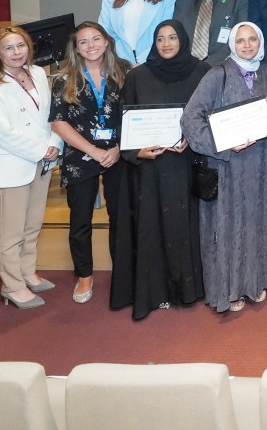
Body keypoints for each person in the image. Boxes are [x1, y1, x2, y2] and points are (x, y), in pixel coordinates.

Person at [181, 21, 267, 314]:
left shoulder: (266, 73)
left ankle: (258, 281)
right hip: (227, 165)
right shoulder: (217, 74)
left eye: (253, 39)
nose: (247, 45)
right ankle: (229, 289)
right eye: (241, 41)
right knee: (228, 225)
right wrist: (221, 145)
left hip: (261, 164)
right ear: (232, 44)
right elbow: (191, 118)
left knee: (259, 220)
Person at [111, 20, 208, 320]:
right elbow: (123, 121)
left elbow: (210, 114)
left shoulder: (202, 73)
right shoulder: (138, 76)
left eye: (173, 37)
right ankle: (157, 293)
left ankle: (190, 291)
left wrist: (193, 140)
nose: (166, 43)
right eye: (161, 38)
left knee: (188, 227)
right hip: (150, 170)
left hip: (188, 163)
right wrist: (134, 151)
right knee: (154, 227)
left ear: (183, 40)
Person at [0, 27, 62, 310]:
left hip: (41, 161)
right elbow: (5, 134)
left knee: (32, 225)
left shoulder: (37, 73)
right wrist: (41, 149)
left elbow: (51, 114)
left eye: (21, 46)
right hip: (11, 167)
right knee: (11, 233)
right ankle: (12, 286)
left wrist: (55, 144)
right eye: (9, 48)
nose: (16, 53)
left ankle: (27, 272)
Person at [50, 21, 130, 306]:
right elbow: (59, 123)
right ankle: (84, 275)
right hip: (80, 156)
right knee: (80, 221)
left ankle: (124, 272)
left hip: (119, 155)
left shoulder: (127, 72)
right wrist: (94, 151)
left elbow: (136, 114)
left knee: (121, 218)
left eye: (96, 39)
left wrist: (119, 148)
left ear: (107, 41)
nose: (91, 45)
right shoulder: (63, 78)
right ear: (76, 47)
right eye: (83, 42)